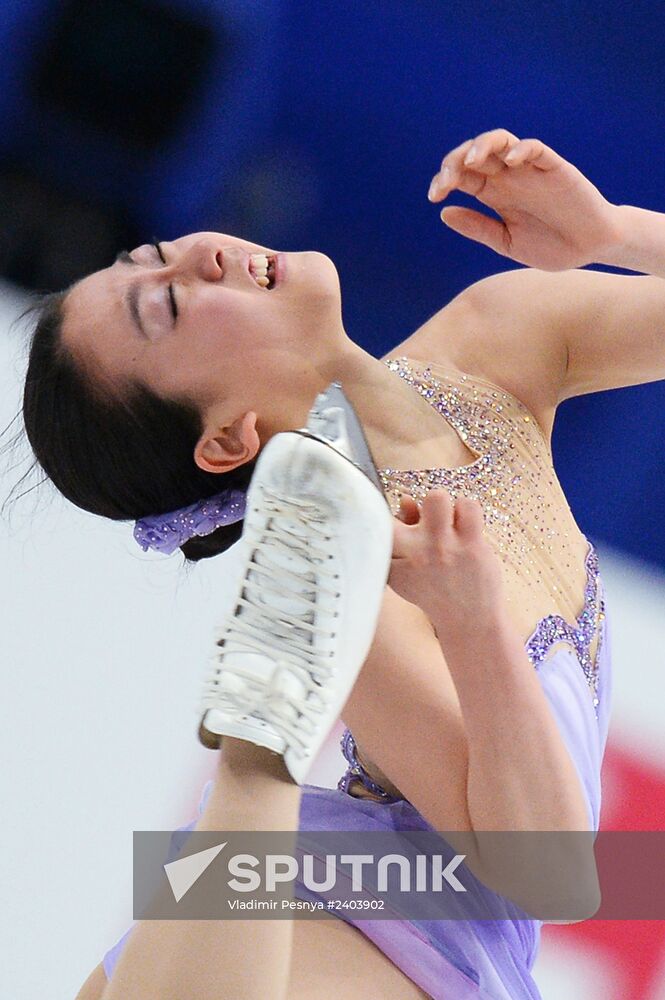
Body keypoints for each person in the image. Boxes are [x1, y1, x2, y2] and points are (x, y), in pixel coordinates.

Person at [16, 127, 665, 997]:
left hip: (386, 906)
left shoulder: (497, 334)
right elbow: (553, 874)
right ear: (227, 440)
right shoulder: (356, 559)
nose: (204, 253)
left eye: (160, 254)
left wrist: (616, 235)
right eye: (166, 304)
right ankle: (255, 763)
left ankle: (253, 776)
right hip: (379, 915)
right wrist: (471, 627)